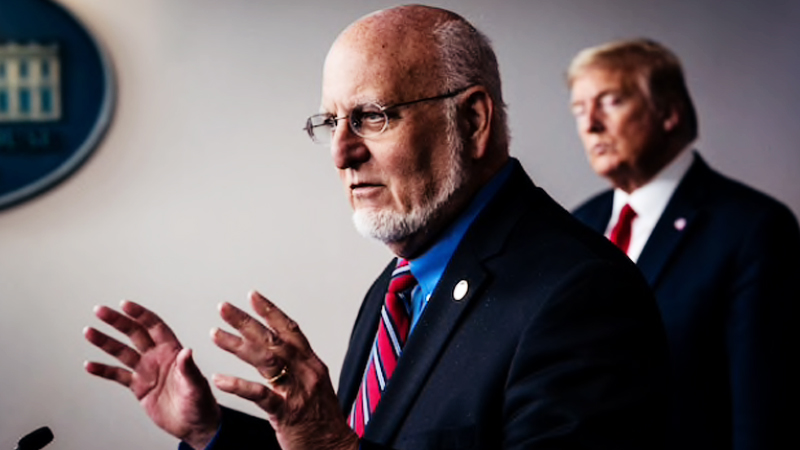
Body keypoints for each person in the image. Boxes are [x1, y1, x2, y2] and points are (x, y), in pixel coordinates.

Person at [84, 6, 669, 450]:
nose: (341, 153)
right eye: (331, 121)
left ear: (471, 120)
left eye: (371, 116)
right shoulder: (401, 283)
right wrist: (211, 430)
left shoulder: (580, 295)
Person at [568, 38, 800, 450]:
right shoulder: (576, 225)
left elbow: (763, 411)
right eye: (580, 109)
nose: (591, 125)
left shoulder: (754, 228)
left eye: (611, 102)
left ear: (670, 112)